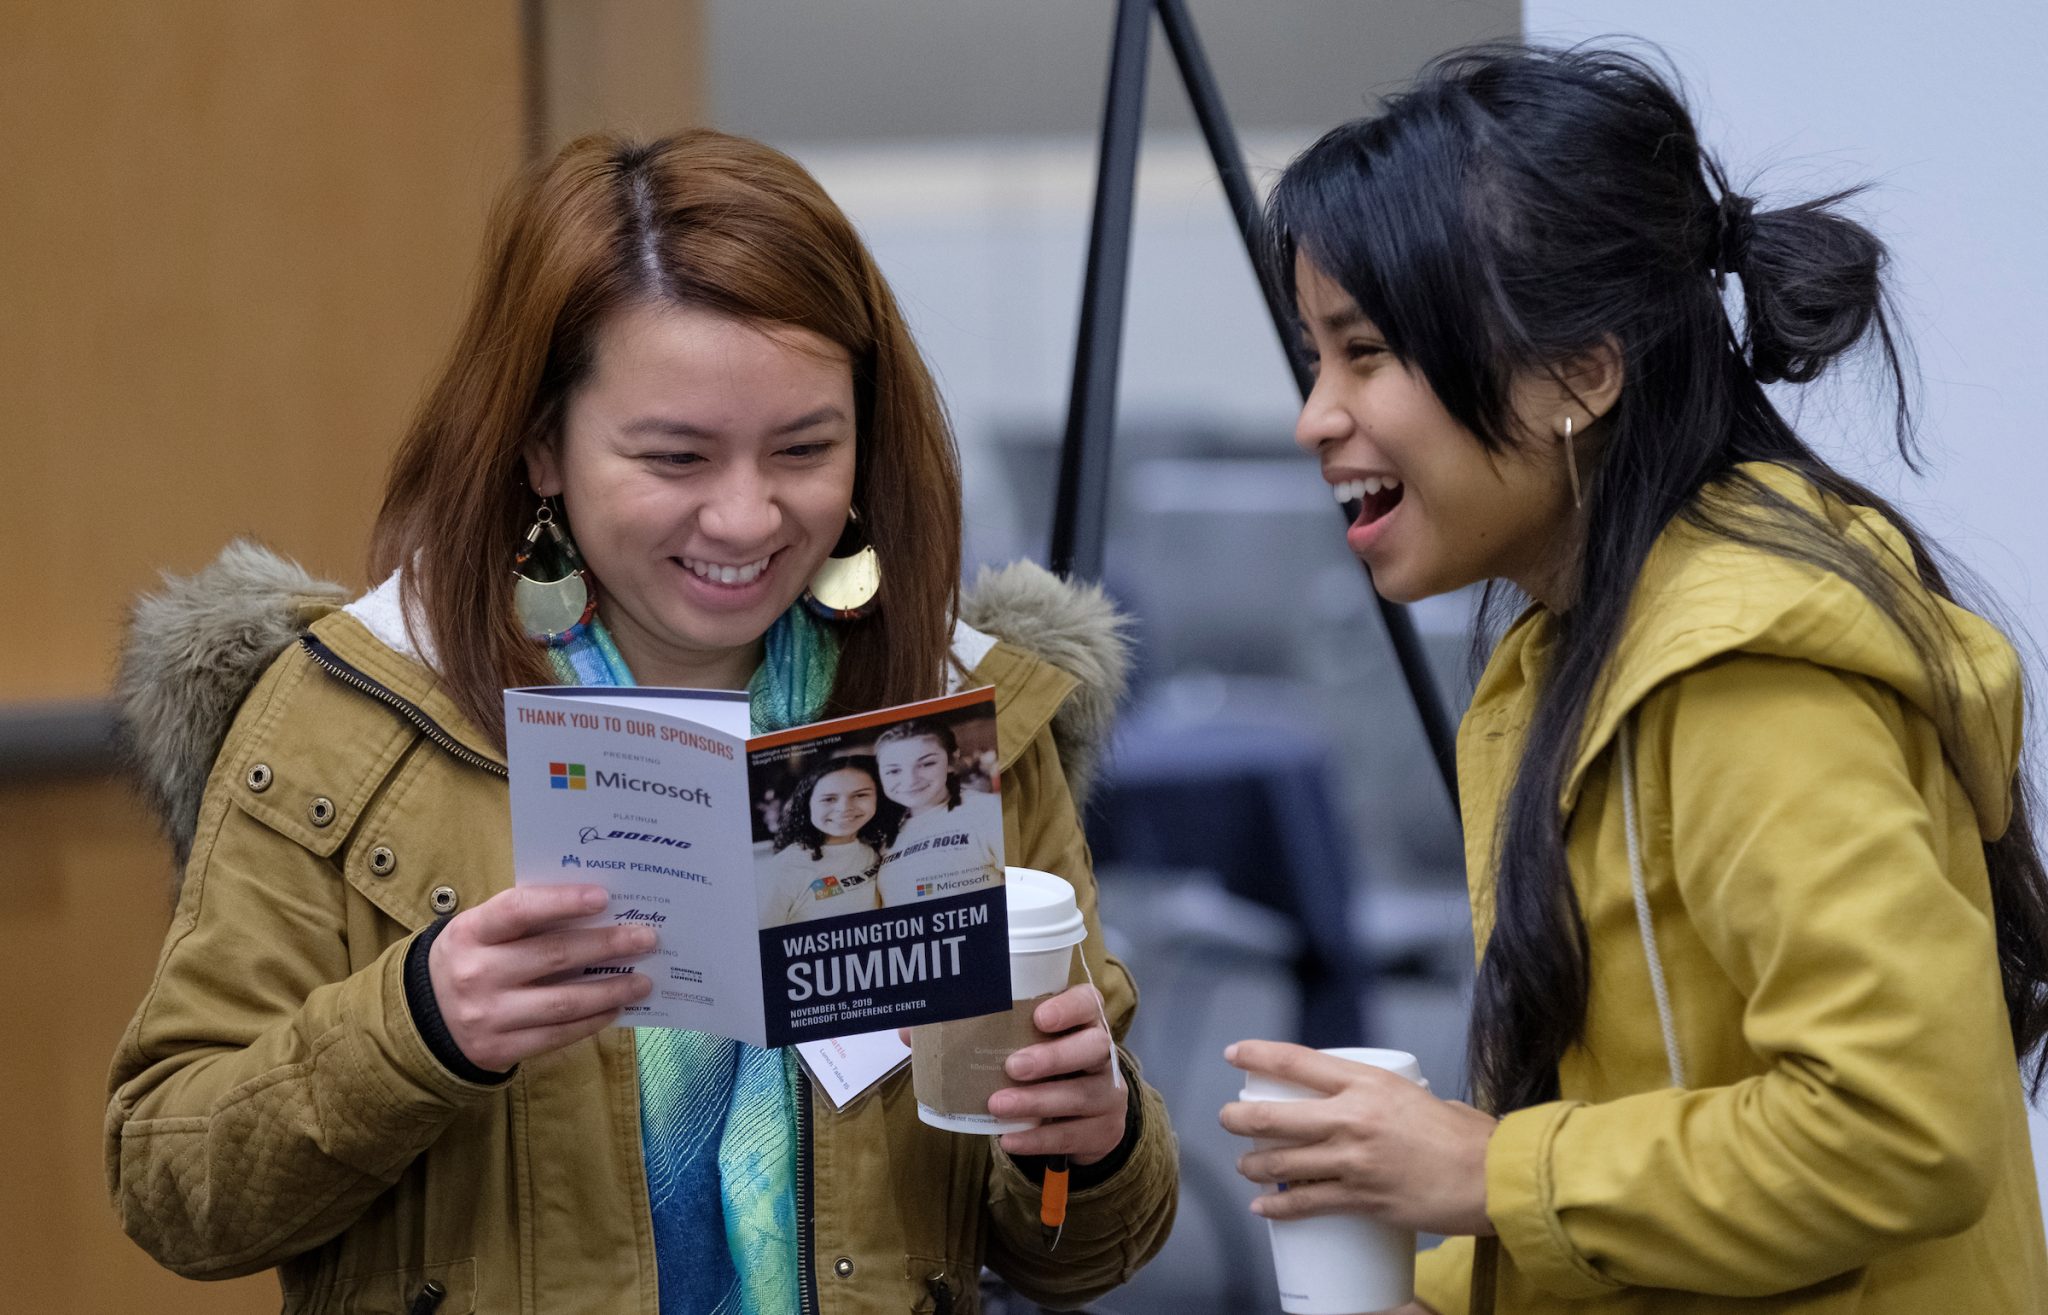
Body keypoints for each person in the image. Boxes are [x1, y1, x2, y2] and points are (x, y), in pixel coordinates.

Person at [107, 130, 1175, 1314]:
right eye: (674, 456)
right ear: (540, 448)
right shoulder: (353, 716)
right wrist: (416, 1025)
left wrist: (1087, 1137)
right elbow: (172, 1182)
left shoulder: (952, 724)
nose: (745, 515)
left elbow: (1082, 1251)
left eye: (805, 448)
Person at [1217, 44, 2048, 1315]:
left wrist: (1479, 1168)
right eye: (1314, 356)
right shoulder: (1580, 648)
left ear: (1579, 374)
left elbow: (1901, 1128)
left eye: (1366, 350)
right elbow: (1628, 1142)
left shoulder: (1740, 670)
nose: (1314, 415)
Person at [873, 718, 1006, 907]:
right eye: (893, 771)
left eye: (927, 764)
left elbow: (1023, 889)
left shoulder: (986, 810)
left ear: (952, 759)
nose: (910, 780)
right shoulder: (883, 832)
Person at [757, 754, 898, 926]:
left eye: (860, 795)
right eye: (829, 799)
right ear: (807, 804)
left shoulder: (876, 850)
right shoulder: (786, 867)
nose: (844, 808)